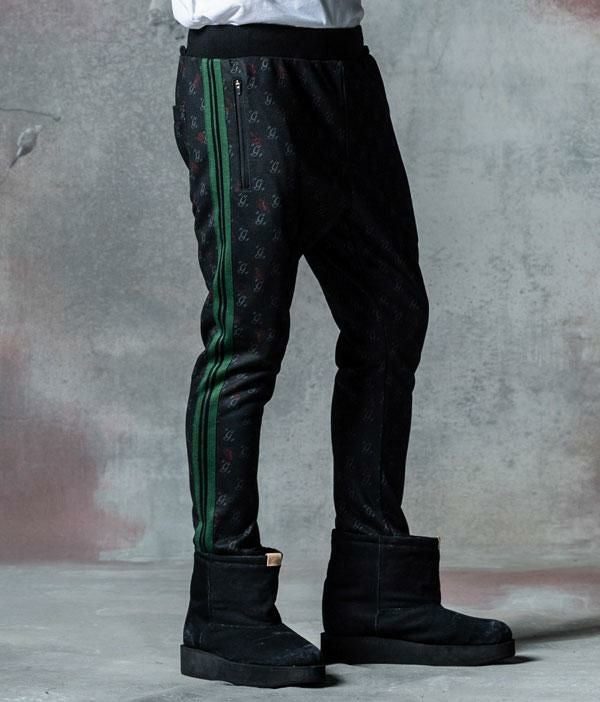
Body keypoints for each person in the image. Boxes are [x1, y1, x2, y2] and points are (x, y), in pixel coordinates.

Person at [170, 0, 515, 689]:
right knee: (246, 337)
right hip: (244, 70)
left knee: (390, 314)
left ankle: (376, 592)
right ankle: (224, 608)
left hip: (344, 66)